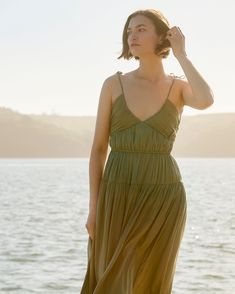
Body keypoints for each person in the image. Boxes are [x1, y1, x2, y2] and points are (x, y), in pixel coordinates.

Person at [80, 8, 214, 294]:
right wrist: (94, 207)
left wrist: (182, 55)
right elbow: (98, 149)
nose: (132, 36)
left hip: (163, 197)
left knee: (152, 284)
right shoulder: (113, 85)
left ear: (161, 36)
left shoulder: (178, 88)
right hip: (117, 193)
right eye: (129, 31)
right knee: (111, 278)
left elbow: (206, 100)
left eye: (140, 29)